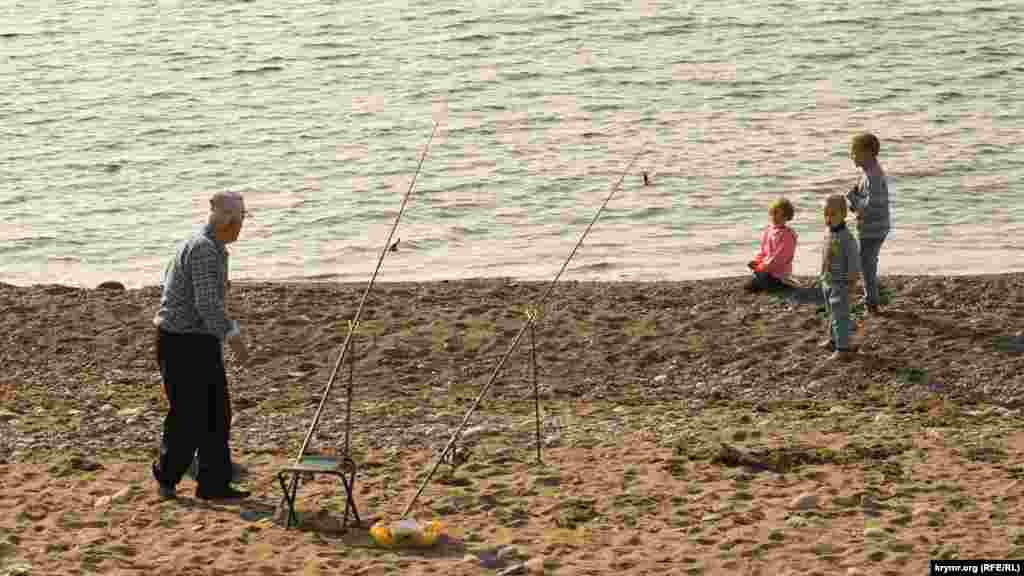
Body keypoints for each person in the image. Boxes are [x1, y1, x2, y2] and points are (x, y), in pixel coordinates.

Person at [151, 191, 251, 500]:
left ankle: (213, 483)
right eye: (241, 220)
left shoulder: (209, 246)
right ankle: (167, 476)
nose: (242, 227)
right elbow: (207, 305)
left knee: (216, 414)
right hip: (184, 342)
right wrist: (233, 337)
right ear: (228, 222)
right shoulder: (205, 250)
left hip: (195, 340)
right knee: (189, 416)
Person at [845, 132, 890, 315]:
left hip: (873, 228)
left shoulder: (873, 176)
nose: (852, 156)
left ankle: (872, 301)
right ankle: (872, 296)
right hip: (872, 226)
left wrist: (854, 202)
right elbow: (867, 200)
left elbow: (873, 204)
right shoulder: (868, 173)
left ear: (869, 153)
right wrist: (855, 196)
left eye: (855, 152)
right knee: (868, 262)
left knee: (866, 264)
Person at [820, 195, 862, 362]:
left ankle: (843, 348)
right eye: (826, 214)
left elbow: (853, 260)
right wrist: (821, 274)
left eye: (832, 214)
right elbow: (825, 255)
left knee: (840, 315)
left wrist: (852, 278)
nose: (828, 218)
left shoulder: (847, 238)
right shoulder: (828, 233)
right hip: (827, 279)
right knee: (831, 312)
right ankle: (833, 339)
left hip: (842, 281)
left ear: (844, 214)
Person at [746, 198, 798, 292]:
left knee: (765, 281)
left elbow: (778, 258)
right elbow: (763, 251)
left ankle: (787, 284)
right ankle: (763, 280)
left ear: (787, 217)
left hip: (779, 273)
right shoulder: (769, 230)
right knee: (751, 285)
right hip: (766, 269)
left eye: (781, 215)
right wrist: (756, 261)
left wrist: (762, 267)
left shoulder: (788, 235)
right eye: (774, 213)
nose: (776, 217)